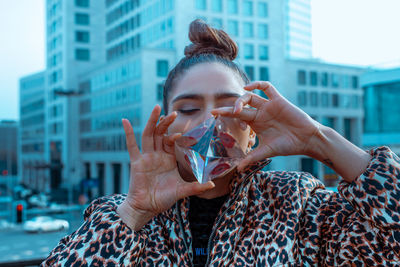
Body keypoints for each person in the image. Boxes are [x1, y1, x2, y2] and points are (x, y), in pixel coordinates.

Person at [42, 20, 400, 266]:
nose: (209, 122)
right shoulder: (117, 215)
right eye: (189, 108)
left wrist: (318, 139)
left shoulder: (301, 205)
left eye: (230, 106)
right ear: (164, 126)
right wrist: (134, 213)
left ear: (253, 128)